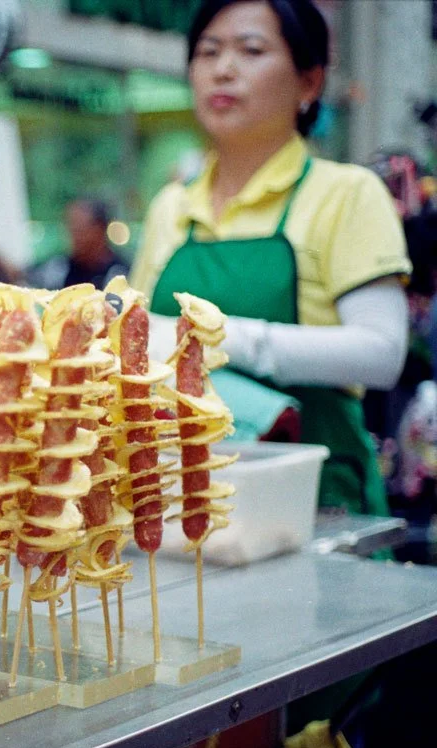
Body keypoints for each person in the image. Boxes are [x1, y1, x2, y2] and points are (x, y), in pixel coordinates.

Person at [130, 0, 410, 516]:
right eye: (208, 51)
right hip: (180, 494)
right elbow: (141, 339)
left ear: (309, 83)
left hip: (317, 497)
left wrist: (216, 338)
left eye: (251, 50)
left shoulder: (345, 193)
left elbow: (382, 354)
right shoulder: (172, 206)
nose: (224, 68)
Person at [31, 198, 129, 290]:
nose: (72, 235)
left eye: (79, 228)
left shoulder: (120, 273)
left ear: (100, 229)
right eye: (70, 227)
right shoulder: (60, 268)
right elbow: (29, 275)